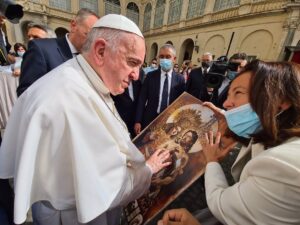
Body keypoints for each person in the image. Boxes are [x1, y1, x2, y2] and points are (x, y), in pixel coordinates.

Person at [0, 14, 172, 225]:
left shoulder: (82, 79)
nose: (137, 75)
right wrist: (148, 170)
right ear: (100, 51)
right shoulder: (71, 100)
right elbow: (107, 187)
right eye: (132, 62)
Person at [158, 60, 300, 225]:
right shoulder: (279, 136)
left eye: (238, 93)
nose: (226, 103)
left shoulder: (281, 165)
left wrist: (211, 160)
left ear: (280, 100)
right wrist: (226, 118)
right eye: (228, 95)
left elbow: (222, 204)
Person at [17, 8, 99, 96]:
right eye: (87, 35)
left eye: (95, 39)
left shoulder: (92, 58)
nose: (91, 43)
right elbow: (25, 93)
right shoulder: (41, 49)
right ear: (73, 25)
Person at [134, 44, 185, 135]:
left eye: (168, 56)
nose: (164, 59)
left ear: (174, 59)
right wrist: (138, 120)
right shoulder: (150, 76)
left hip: (169, 123)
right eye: (161, 56)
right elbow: (142, 99)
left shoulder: (180, 79)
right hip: (149, 120)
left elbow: (182, 102)